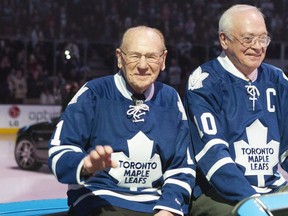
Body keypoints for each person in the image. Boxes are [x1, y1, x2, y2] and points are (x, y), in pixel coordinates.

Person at [48, 26, 195, 216]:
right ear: (119, 58)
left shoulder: (170, 99)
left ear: (163, 60)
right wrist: (86, 165)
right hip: (100, 199)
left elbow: (182, 166)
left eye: (151, 57)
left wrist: (169, 208)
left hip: (156, 205)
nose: (143, 65)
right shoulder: (94, 93)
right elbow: (60, 150)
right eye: (135, 55)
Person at [184, 4, 288, 216]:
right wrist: (251, 202)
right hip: (220, 195)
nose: (258, 47)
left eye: (263, 38)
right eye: (248, 39)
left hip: (273, 190)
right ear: (224, 40)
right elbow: (213, 155)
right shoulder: (205, 82)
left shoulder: (277, 79)